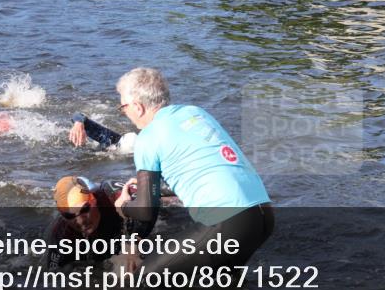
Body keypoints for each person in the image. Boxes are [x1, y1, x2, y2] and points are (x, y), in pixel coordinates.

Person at [81, 67, 273, 275]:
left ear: (138, 107)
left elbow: (146, 210)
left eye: (123, 107)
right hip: (263, 215)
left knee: (142, 279)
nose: (124, 112)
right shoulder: (196, 112)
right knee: (223, 282)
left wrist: (124, 206)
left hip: (228, 223)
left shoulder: (148, 137)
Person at [43, 176, 128, 270]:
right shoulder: (62, 233)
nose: (81, 221)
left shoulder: (112, 195)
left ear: (94, 200)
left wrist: (130, 249)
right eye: (69, 216)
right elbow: (52, 275)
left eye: (84, 209)